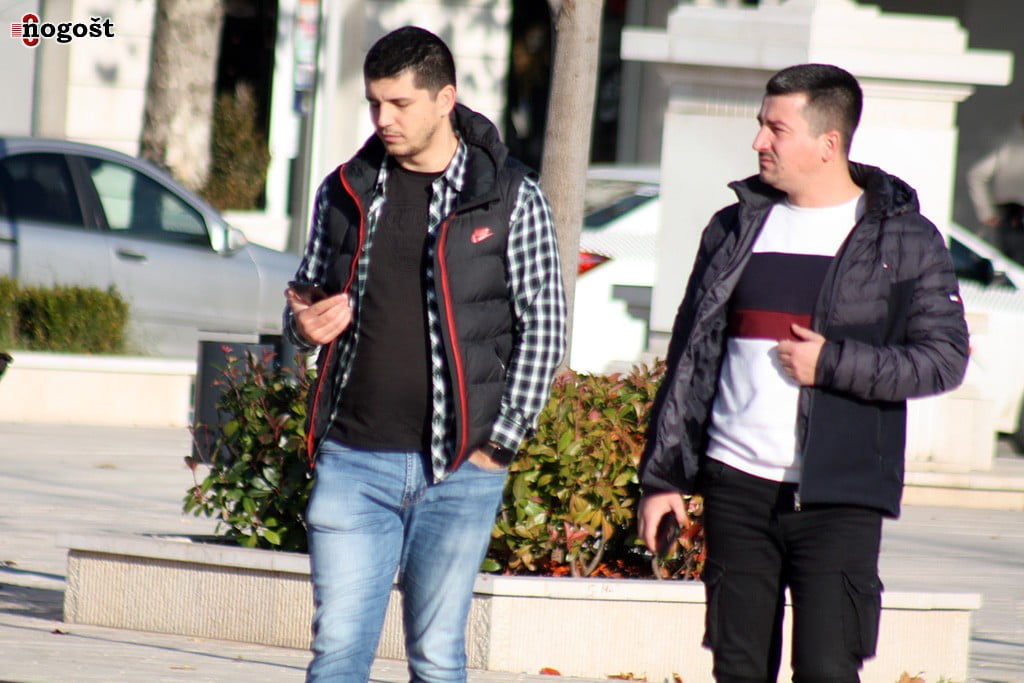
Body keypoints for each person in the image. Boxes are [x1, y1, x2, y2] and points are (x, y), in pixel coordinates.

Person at [637, 64, 969, 683]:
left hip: (839, 496)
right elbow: (691, 357)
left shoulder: (905, 239)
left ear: (827, 143)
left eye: (776, 128)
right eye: (761, 124)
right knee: (738, 670)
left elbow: (944, 358)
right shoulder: (734, 228)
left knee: (826, 669)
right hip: (736, 486)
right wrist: (662, 478)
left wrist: (833, 363)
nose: (758, 141)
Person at [284, 26, 566, 683]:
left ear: (445, 99)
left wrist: (498, 445)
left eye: (399, 104)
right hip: (353, 459)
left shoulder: (509, 195)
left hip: (461, 467)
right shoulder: (345, 191)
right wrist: (302, 329)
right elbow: (305, 300)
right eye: (374, 103)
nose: (383, 119)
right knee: (336, 654)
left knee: (437, 658)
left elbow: (545, 327)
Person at [966, 114, 1024, 264]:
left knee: (1011, 266)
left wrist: (987, 213)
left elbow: (976, 174)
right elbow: (976, 175)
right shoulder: (1010, 150)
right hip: (1013, 218)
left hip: (1010, 217)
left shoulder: (1009, 149)